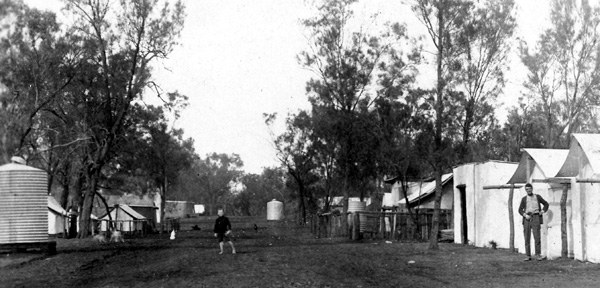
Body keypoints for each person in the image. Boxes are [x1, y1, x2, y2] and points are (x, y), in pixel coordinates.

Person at [518, 183, 549, 261]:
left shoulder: (537, 197)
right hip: (527, 218)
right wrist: (525, 215)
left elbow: (546, 204)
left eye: (529, 189)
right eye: (526, 190)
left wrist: (543, 211)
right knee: (527, 237)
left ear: (532, 189)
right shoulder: (524, 199)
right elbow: (520, 210)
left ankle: (538, 255)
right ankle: (528, 255)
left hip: (536, 217)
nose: (528, 191)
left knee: (537, 237)